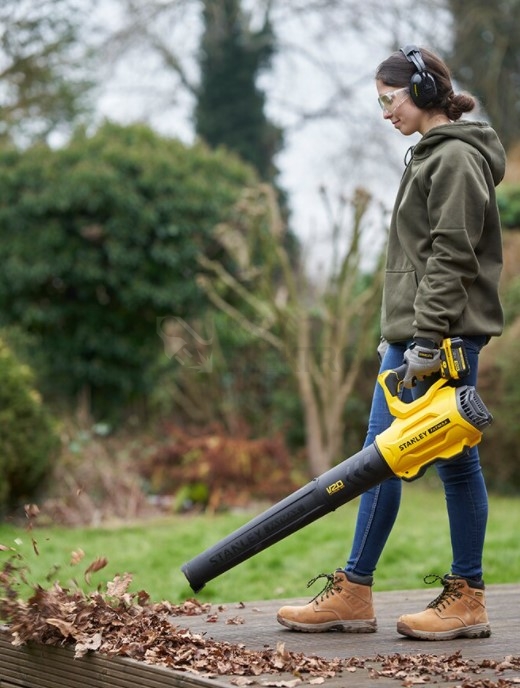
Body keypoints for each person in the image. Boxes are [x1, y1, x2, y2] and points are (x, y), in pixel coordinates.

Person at [276, 44, 506, 641]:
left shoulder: (454, 158)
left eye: (389, 99)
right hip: (416, 337)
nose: (384, 113)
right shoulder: (432, 155)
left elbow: (452, 255)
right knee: (389, 461)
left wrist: (424, 342)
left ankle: (455, 597)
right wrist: (400, 337)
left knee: (429, 462)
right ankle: (360, 592)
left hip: (441, 340)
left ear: (424, 91)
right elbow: (422, 258)